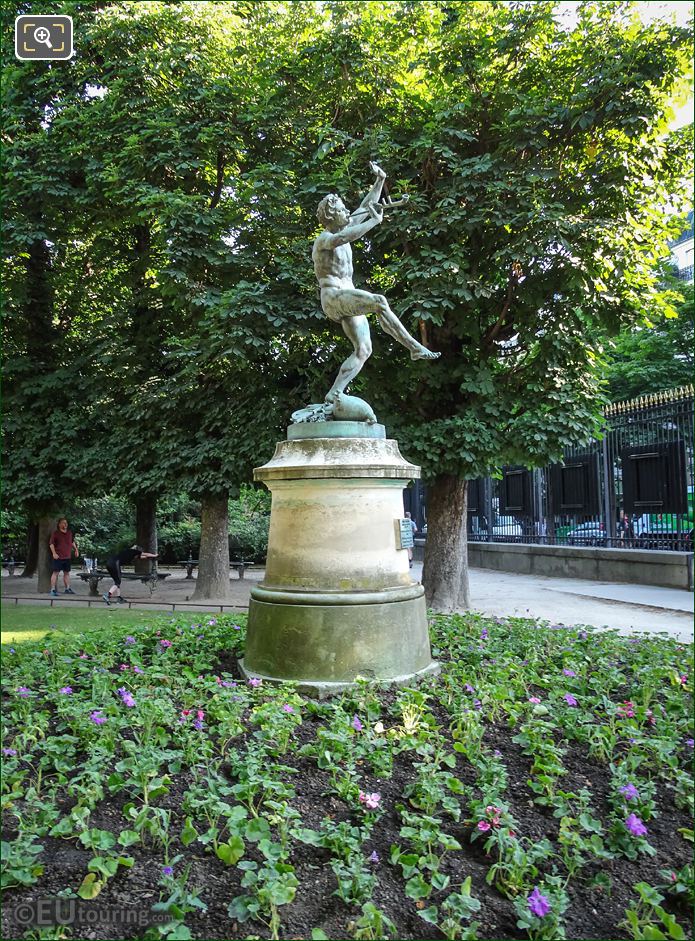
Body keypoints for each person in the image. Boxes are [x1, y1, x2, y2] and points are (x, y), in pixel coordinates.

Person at [313, 162, 440, 402]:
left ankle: (334, 393)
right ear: (331, 216)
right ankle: (414, 347)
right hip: (333, 298)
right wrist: (373, 222)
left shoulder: (345, 224)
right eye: (341, 210)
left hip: (347, 296)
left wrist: (380, 180)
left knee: (364, 349)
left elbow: (366, 205)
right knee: (380, 301)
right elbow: (343, 237)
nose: (346, 213)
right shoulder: (326, 238)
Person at [49, 517, 79, 596]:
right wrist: (54, 553)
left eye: (66, 523)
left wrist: (76, 550)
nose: (65, 524)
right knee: (55, 573)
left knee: (67, 573)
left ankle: (67, 589)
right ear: (59, 524)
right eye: (63, 522)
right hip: (58, 557)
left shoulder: (69, 533)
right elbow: (51, 544)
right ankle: (52, 590)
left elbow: (72, 542)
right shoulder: (56, 533)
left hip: (67, 557)